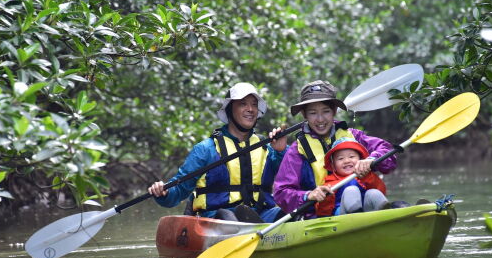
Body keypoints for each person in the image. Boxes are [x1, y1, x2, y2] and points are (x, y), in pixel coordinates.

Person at [148, 82, 287, 223]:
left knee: (288, 213)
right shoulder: (205, 150)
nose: (250, 109)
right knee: (226, 216)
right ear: (229, 110)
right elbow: (178, 191)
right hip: (217, 220)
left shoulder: (268, 148)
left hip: (261, 217)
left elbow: (293, 178)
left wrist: (282, 151)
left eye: (254, 104)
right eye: (243, 104)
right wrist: (164, 192)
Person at [273, 80, 397, 218]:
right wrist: (308, 195)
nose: (320, 119)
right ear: (304, 115)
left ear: (334, 111)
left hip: (364, 203)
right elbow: (281, 193)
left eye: (326, 111)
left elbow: (388, 154)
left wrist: (371, 159)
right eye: (313, 113)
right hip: (319, 215)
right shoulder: (297, 150)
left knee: (384, 199)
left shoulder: (353, 136)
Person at [314, 137, 387, 216]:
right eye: (340, 158)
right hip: (343, 217)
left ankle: (388, 213)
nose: (346, 161)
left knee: (373, 193)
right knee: (351, 190)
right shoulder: (329, 183)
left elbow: (382, 190)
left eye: (351, 157)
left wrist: (366, 177)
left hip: (367, 212)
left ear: (360, 160)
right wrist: (326, 198)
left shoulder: (367, 175)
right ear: (333, 165)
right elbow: (322, 212)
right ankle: (355, 215)